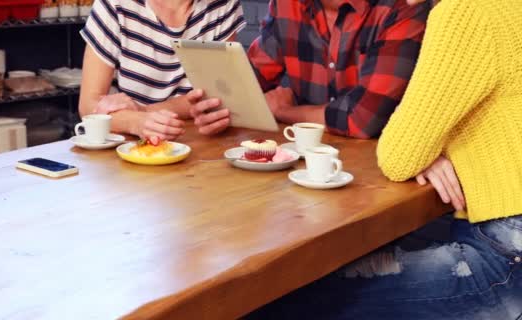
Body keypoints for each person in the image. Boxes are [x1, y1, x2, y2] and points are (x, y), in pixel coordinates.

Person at [245, 0, 522, 319]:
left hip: (503, 254)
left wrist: (424, 145)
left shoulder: (467, 14)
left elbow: (398, 156)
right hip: (502, 239)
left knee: (285, 299)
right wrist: (433, 145)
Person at [188, 0, 431, 138]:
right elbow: (247, 81)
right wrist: (216, 106)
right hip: (301, 164)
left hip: (378, 174)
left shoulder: (402, 8)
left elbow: (363, 120)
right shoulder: (288, 4)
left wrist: (284, 111)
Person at [78, 0, 246, 141]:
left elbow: (217, 96)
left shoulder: (223, 5)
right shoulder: (116, 4)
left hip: (195, 141)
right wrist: (134, 122)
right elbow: (87, 106)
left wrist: (142, 112)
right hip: (132, 146)